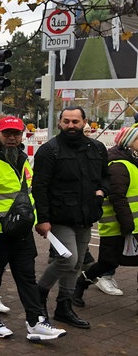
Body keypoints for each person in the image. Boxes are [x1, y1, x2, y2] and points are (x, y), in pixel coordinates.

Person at [0, 116, 66, 341]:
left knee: (27, 278)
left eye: (17, 134)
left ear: (22, 135)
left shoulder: (22, 158)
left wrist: (39, 219)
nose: (12, 138)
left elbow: (28, 193)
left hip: (21, 232)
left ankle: (35, 321)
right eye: (7, 133)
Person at [33, 106, 107, 330]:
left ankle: (64, 307)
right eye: (66, 121)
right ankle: (38, 295)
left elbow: (105, 176)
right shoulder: (49, 150)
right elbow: (40, 187)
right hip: (59, 216)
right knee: (69, 259)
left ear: (85, 121)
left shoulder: (97, 148)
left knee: (76, 266)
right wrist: (43, 219)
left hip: (86, 214)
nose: (71, 125)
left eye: (75, 121)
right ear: (59, 123)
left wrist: (102, 191)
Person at [73, 127, 138, 307]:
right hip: (119, 226)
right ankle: (80, 284)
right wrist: (127, 225)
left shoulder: (134, 162)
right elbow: (118, 196)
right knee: (107, 263)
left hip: (133, 225)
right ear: (128, 143)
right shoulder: (119, 165)